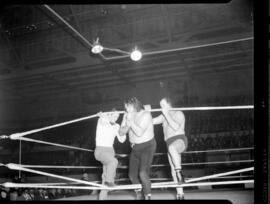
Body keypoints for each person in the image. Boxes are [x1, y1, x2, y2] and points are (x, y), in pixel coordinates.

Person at [119, 97, 156, 200]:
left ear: (135, 106)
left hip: (147, 146)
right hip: (135, 148)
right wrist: (126, 122)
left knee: (143, 173)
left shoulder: (145, 114)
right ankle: (139, 193)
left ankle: (148, 196)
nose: (126, 110)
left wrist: (130, 122)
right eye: (125, 108)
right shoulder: (127, 115)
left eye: (128, 107)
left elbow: (139, 132)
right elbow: (121, 132)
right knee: (131, 176)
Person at [151, 97, 188, 200]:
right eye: (160, 106)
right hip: (169, 143)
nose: (161, 108)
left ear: (169, 104)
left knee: (172, 150)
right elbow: (152, 121)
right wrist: (144, 113)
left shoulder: (178, 113)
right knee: (173, 171)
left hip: (179, 140)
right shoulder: (163, 116)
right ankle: (180, 194)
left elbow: (176, 127)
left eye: (163, 105)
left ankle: (179, 172)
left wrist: (166, 114)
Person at [94, 109, 126, 200]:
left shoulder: (117, 126)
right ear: (109, 115)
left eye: (117, 117)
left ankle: (102, 197)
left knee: (105, 178)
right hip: (100, 150)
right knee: (114, 162)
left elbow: (122, 140)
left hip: (110, 151)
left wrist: (123, 131)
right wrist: (103, 116)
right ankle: (109, 182)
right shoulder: (102, 120)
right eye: (114, 116)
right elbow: (103, 122)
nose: (115, 118)